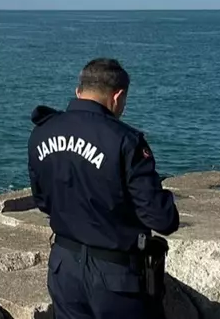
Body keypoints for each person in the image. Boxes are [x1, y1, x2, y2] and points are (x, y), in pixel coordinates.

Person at [28, 58, 179, 319]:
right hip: (117, 276)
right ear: (117, 96)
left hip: (64, 268)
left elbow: (43, 200)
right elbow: (162, 219)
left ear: (79, 91)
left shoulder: (42, 132)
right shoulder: (126, 141)